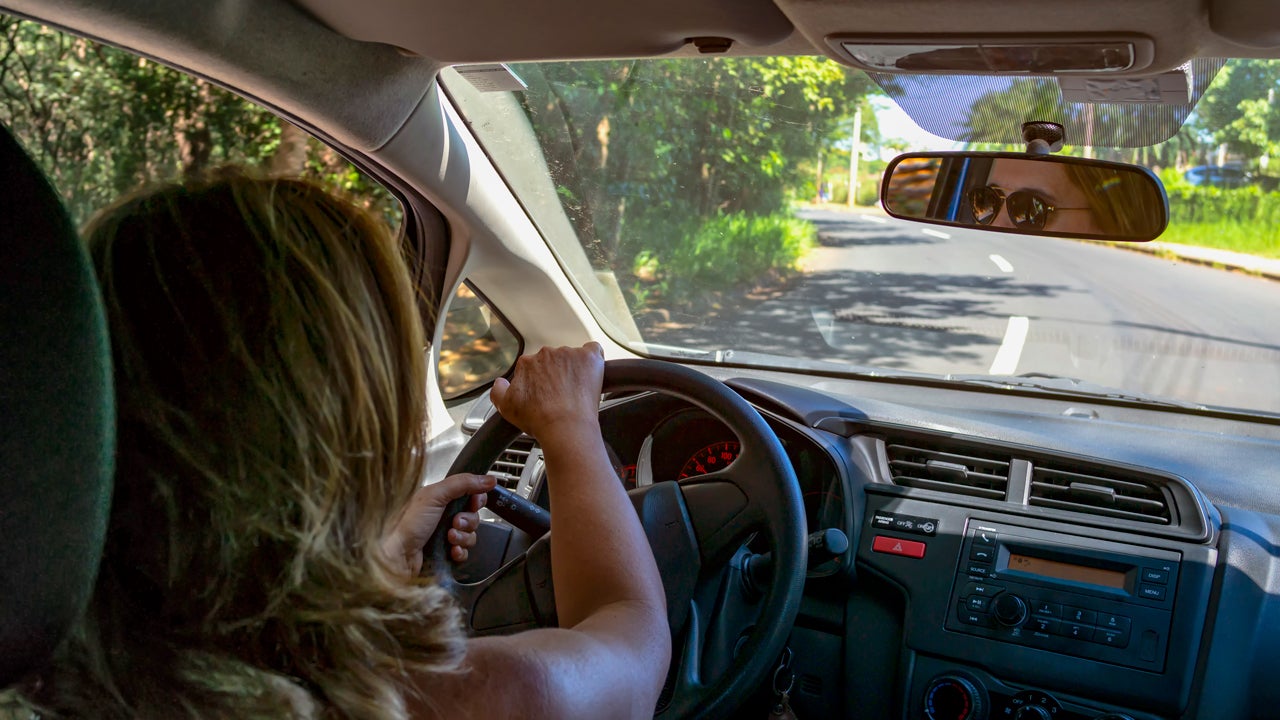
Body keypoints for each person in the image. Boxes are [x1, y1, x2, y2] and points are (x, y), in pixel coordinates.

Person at [16, 171, 670, 718]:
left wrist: (375, 556)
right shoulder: (458, 698)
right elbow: (632, 635)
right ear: (344, 427)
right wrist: (571, 428)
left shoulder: (52, 683)